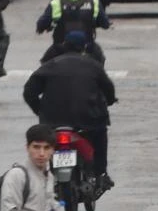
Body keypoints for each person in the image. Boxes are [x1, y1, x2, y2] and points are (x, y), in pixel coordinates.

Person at [24, 31, 117, 190]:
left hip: (53, 121)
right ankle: (101, 174)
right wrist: (107, 102)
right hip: (88, 120)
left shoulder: (50, 65)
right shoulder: (93, 65)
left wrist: (41, 111)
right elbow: (109, 89)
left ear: (64, 46)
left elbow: (29, 92)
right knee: (100, 136)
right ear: (84, 47)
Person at [35, 0, 110, 64]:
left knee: (44, 64)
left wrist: (43, 27)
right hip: (88, 48)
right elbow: (105, 23)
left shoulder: (56, 3)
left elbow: (41, 24)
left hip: (60, 49)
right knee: (100, 61)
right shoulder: (94, 2)